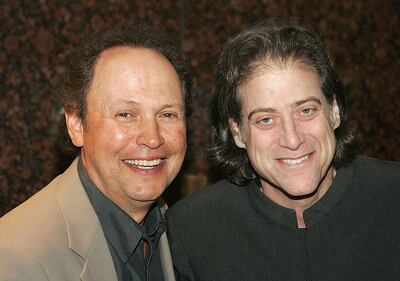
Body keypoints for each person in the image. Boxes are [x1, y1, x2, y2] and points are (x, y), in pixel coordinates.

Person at [166, 19, 400, 281]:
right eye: (266, 119)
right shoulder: (193, 230)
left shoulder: (393, 197)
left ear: (334, 111)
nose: (292, 139)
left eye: (306, 110)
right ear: (238, 132)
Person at [0, 21, 191, 281]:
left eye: (168, 114)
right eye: (125, 114)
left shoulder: (183, 230)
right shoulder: (18, 257)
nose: (152, 138)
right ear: (76, 124)